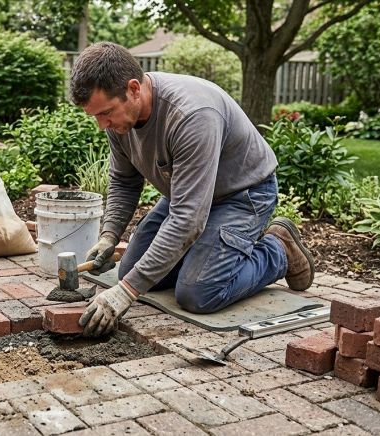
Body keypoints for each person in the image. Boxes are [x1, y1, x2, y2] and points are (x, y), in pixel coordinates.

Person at [70, 42, 315, 337]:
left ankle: (279, 250)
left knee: (198, 293)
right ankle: (207, 253)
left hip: (243, 194)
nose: (101, 125)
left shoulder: (191, 115)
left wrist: (125, 294)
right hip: (189, 194)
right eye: (95, 116)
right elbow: (125, 181)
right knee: (130, 270)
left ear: (133, 88)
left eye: (106, 113)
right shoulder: (119, 122)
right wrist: (109, 235)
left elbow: (187, 220)